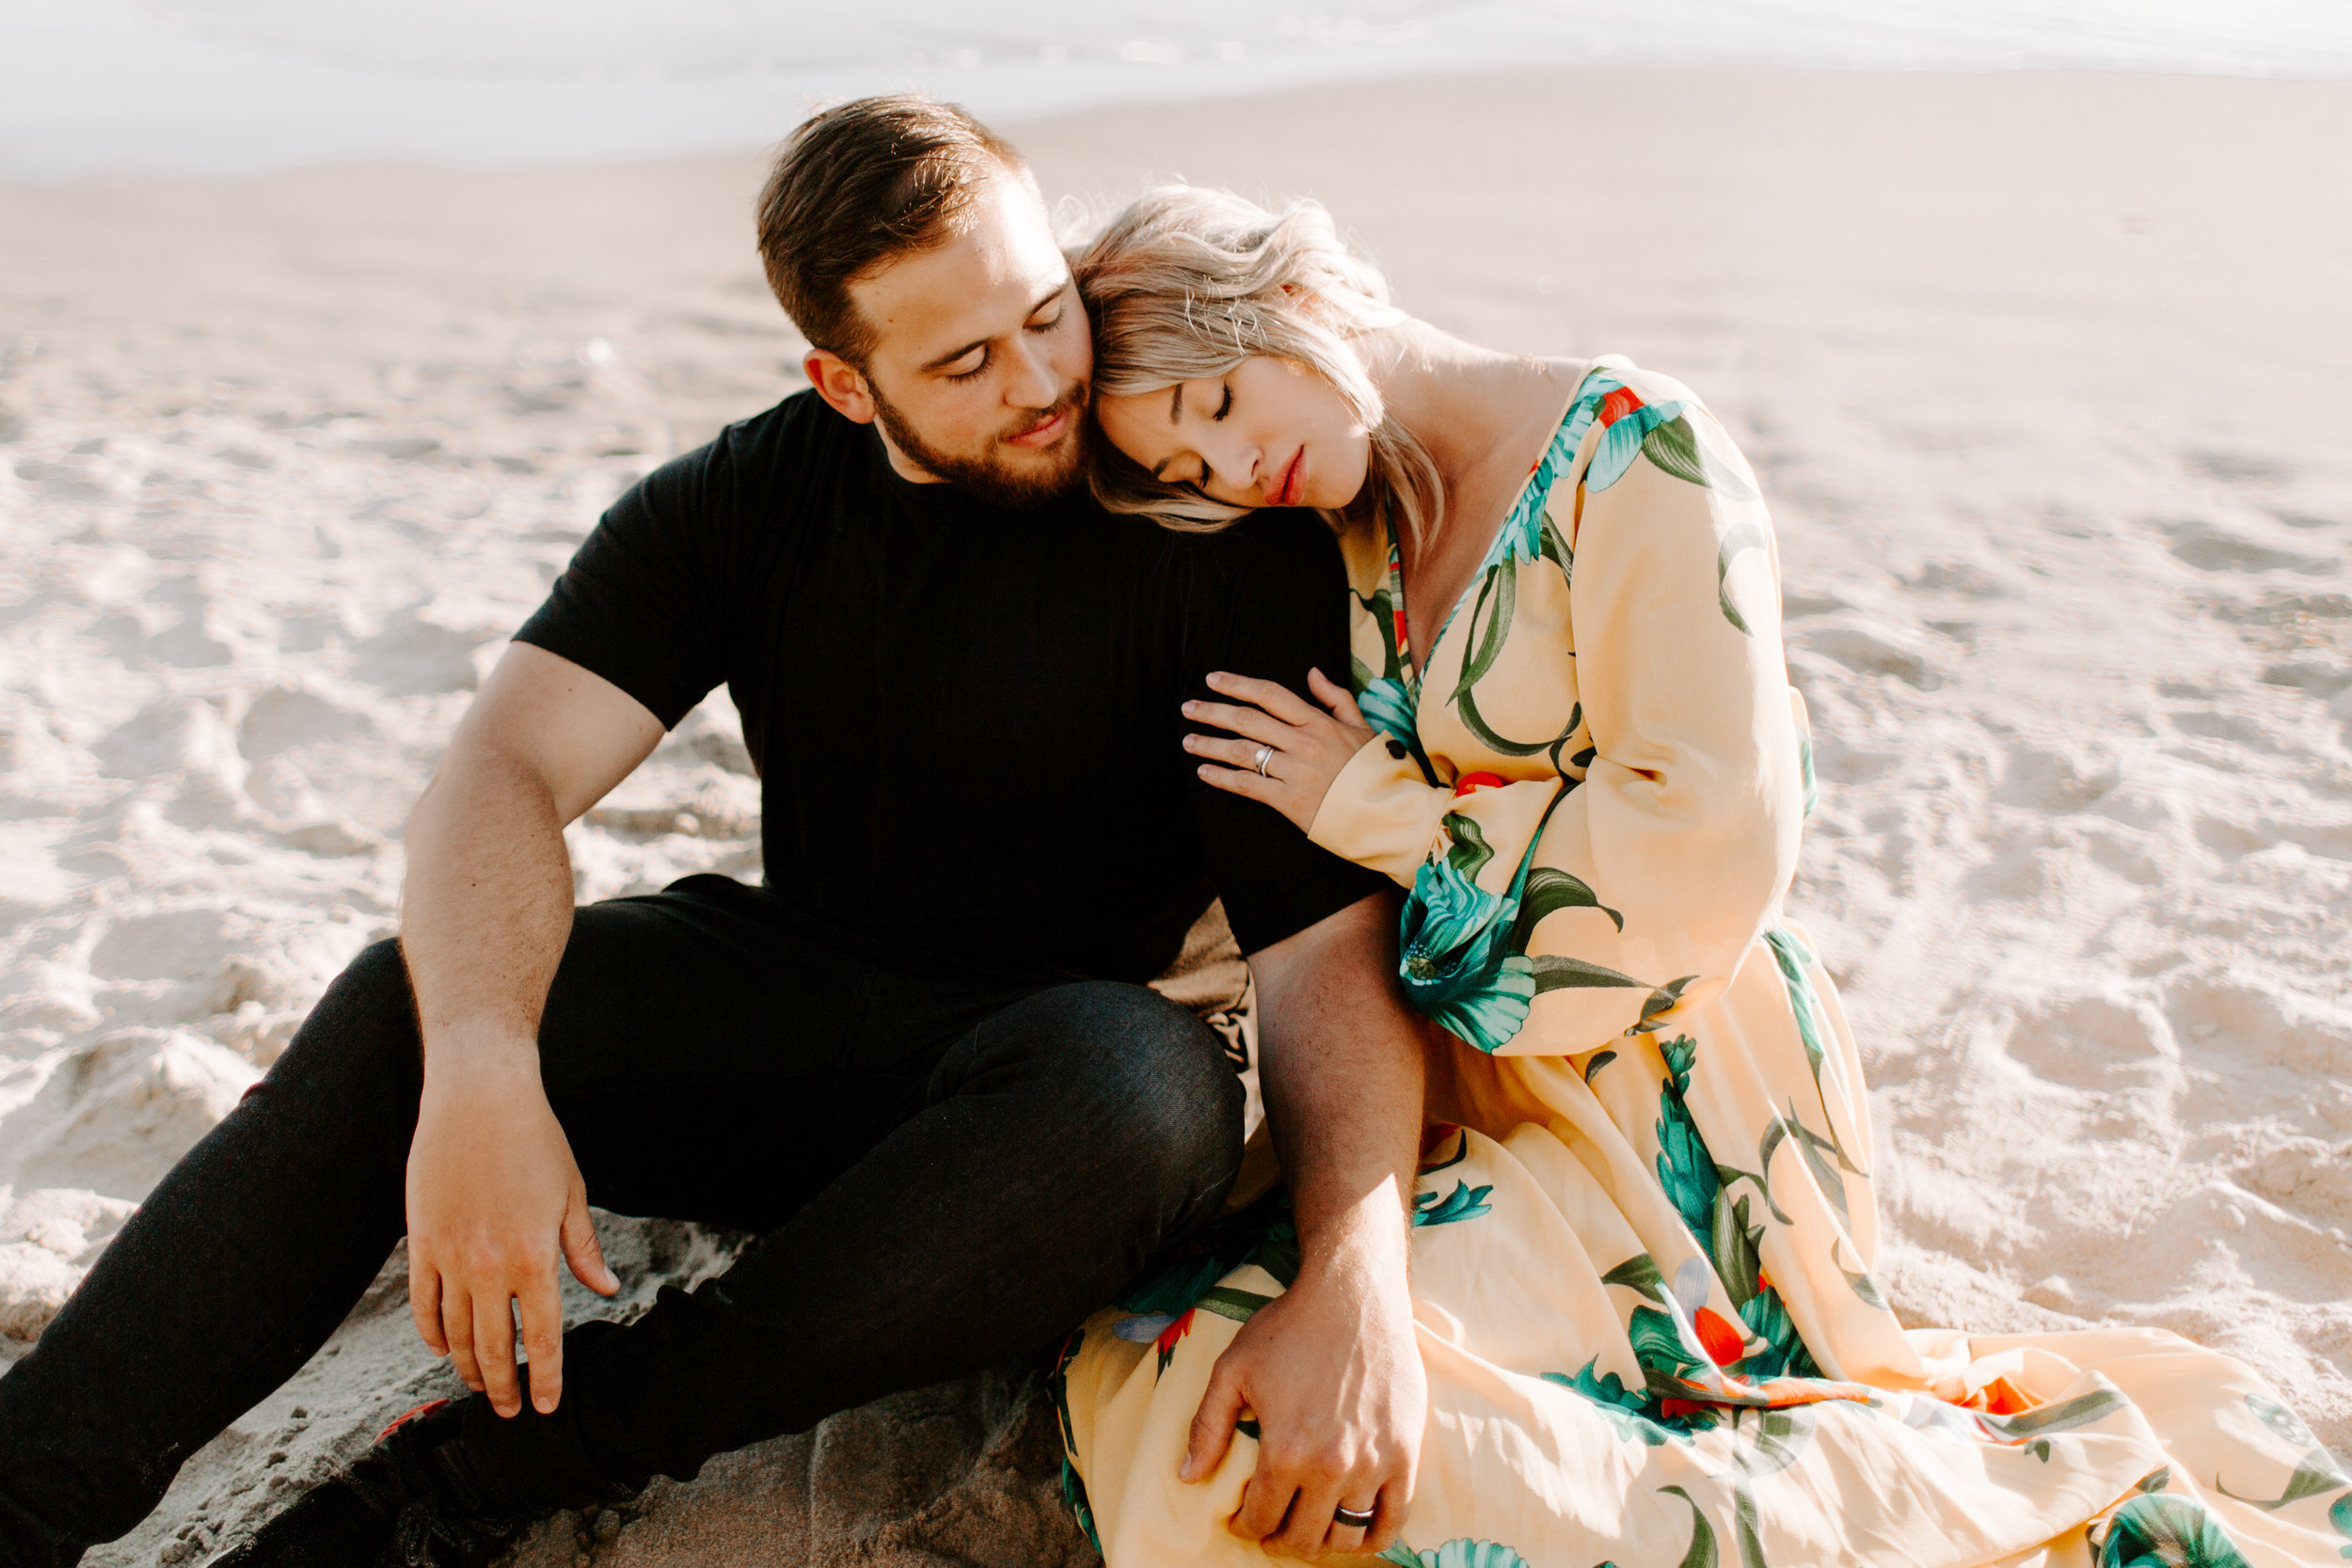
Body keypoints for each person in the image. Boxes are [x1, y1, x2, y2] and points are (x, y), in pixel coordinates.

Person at [0, 101, 1437, 1568]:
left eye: (1046, 314)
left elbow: (1321, 945)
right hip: (797, 1009)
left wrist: (1356, 1275)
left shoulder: (1205, 526)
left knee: (1144, 1096)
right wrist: (489, 1067)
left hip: (1034, 1117)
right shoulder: (746, 501)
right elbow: (496, 770)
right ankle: (30, 1485)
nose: (1044, 382)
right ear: (843, 381)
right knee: (409, 1007)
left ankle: (473, 1480)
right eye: (963, 362)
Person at [1053, 183, 2346, 1567]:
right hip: (1446, 1082)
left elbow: (1703, 850)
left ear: (1290, 302)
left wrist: (1374, 804)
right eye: (1188, 474)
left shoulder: (1634, 453)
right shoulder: (1342, 526)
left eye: (1218, 408)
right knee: (1174, 1376)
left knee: (1454, 1458)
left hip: (1670, 1073)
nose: (1234, 469)